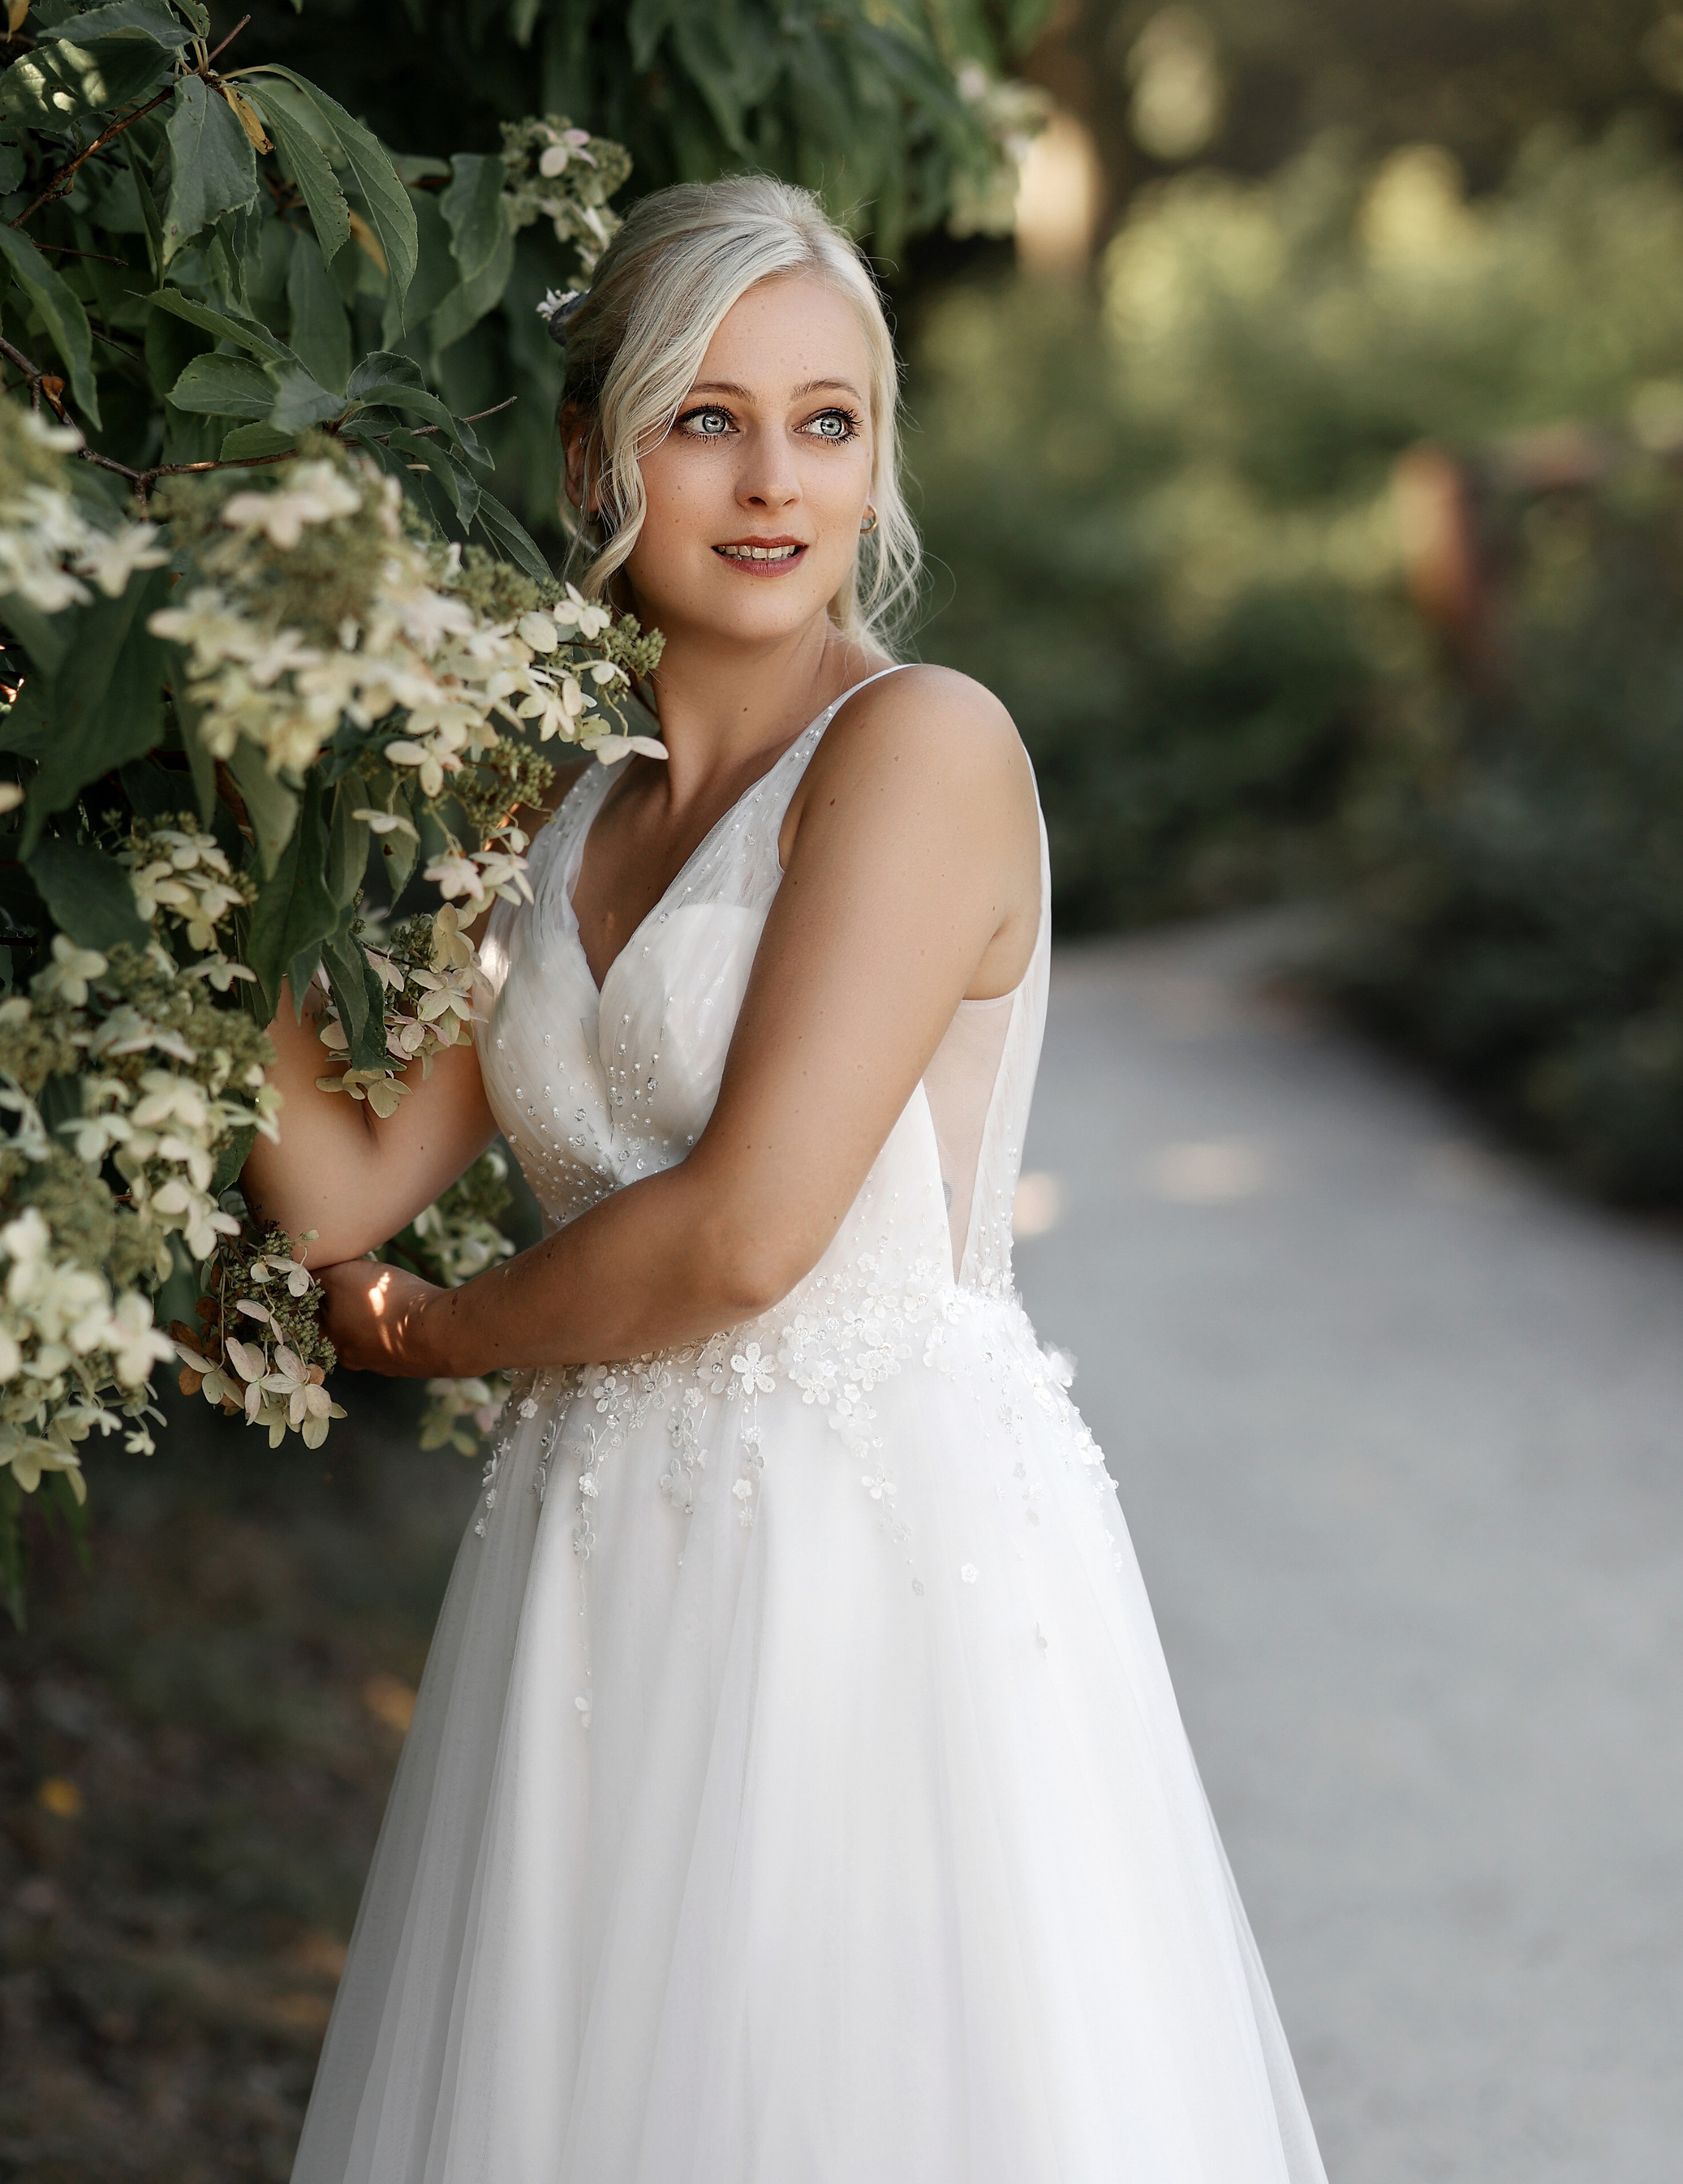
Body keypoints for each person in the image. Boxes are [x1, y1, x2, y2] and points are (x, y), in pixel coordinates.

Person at [253, 177, 1328, 2184]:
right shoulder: (552, 808)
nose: (769, 481)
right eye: (703, 417)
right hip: (596, 1562)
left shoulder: (920, 748)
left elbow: (751, 1231)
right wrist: (225, 823)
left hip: (867, 1556)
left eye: (825, 422)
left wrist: (437, 1337)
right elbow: (342, 1186)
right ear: (595, 457)